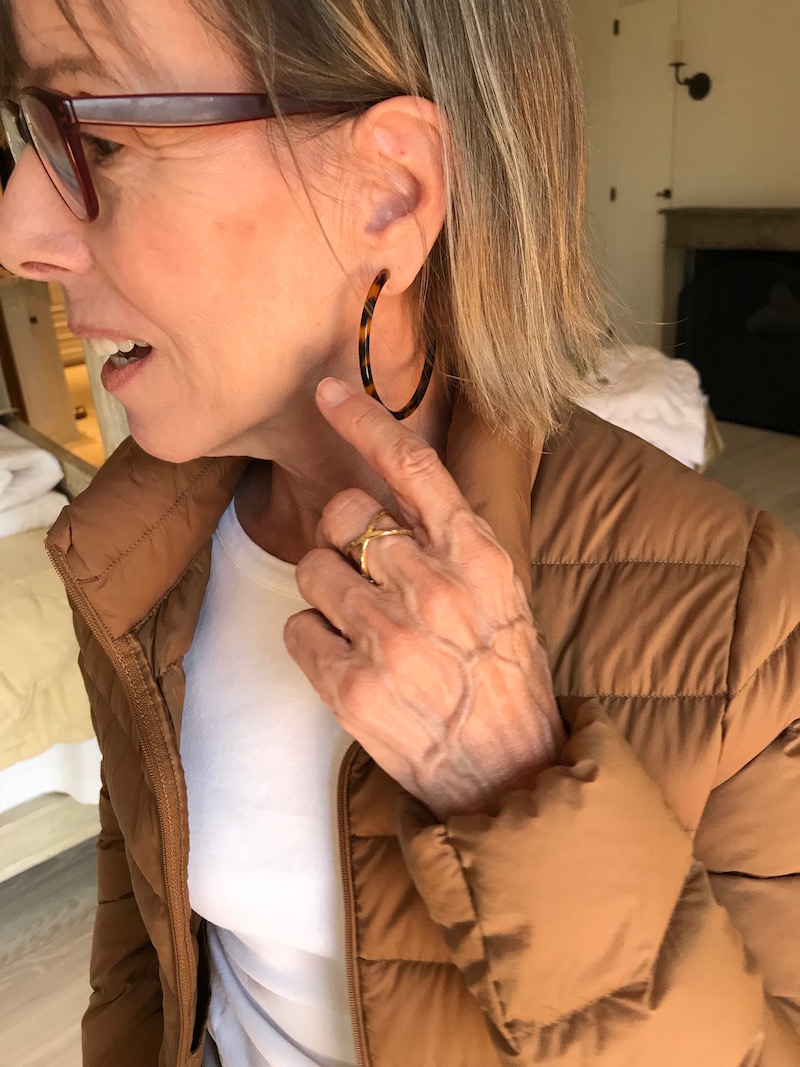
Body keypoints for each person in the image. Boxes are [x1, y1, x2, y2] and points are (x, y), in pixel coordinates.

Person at [1, 0, 799, 1064]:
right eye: (30, 130)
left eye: (96, 139)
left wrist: (513, 782)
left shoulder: (745, 616)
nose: (17, 235)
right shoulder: (129, 549)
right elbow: (139, 960)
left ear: (390, 190)